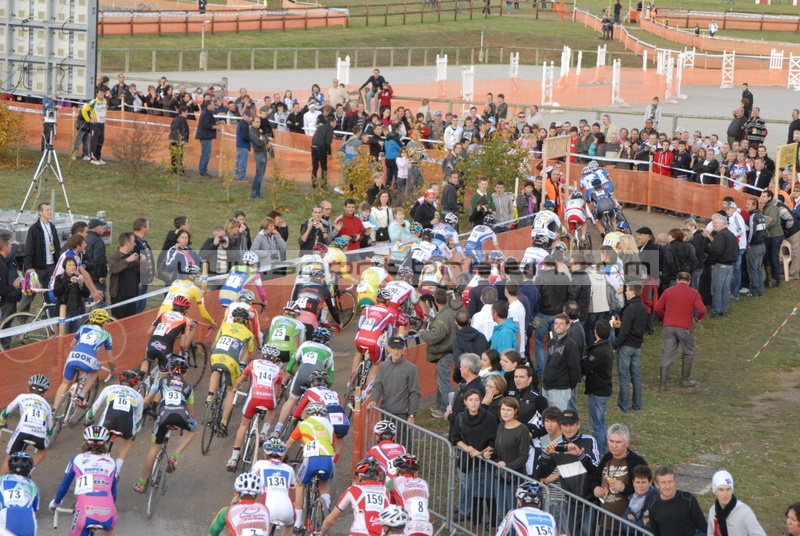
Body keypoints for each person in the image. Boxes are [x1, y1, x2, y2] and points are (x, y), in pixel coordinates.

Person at [133, 356, 197, 493]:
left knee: (153, 450)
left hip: (163, 416)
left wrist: (139, 412)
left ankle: (141, 483)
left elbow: (146, 400)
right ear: (184, 374)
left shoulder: (162, 381)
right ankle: (175, 456)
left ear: (169, 370)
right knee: (193, 429)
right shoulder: (188, 388)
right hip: (182, 416)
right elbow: (191, 414)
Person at [536, 409, 599, 536]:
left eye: (571, 425)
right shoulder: (557, 446)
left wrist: (580, 455)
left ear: (578, 425)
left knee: (587, 532)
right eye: (565, 425)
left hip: (590, 501)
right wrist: (546, 454)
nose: (568, 429)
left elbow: (596, 470)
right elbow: (541, 475)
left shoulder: (589, 440)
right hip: (571, 502)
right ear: (561, 426)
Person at [49, 426, 118, 535]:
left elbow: (64, 487)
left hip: (84, 512)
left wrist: (56, 503)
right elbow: (113, 491)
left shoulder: (76, 459)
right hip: (108, 511)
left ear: (85, 443)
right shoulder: (111, 462)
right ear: (105, 444)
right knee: (109, 529)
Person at [225, 344, 283, 471]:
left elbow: (240, 381)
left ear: (262, 355)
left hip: (253, 398)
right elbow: (278, 393)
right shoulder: (279, 370)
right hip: (268, 399)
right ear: (276, 359)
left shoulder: (253, 363)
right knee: (273, 408)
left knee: (244, 424)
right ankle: (263, 432)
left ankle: (234, 458)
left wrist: (236, 388)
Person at [271, 328, 335, 439]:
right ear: (326, 342)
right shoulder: (329, 352)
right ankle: (298, 430)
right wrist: (322, 389)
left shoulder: (305, 345)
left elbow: (289, 367)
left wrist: (295, 374)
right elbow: (330, 380)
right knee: (310, 400)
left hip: (300, 375)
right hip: (315, 380)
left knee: (291, 400)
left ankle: (277, 430)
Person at [286, 403, 335, 533]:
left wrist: (280, 457)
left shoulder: (303, 424)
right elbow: (332, 442)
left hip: (311, 458)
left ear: (308, 414)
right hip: (328, 457)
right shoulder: (330, 425)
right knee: (324, 482)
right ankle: (326, 506)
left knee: (300, 484)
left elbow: (289, 444)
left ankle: (298, 522)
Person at [450, 389, 496, 526]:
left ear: (480, 401)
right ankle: (476, 522)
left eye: (476, 400)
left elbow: (494, 441)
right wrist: (467, 448)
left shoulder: (489, 418)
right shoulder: (460, 418)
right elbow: (455, 438)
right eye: (470, 400)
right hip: (468, 461)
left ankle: (492, 523)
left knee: (488, 492)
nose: (474, 403)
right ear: (465, 402)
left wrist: (482, 452)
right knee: (473, 490)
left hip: (486, 461)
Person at [654, 271, 706, 390]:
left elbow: (657, 308)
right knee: (688, 352)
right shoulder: (693, 293)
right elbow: (702, 310)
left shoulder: (668, 291)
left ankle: (662, 385)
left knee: (667, 354)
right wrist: (697, 319)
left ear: (677, 280)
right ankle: (685, 380)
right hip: (685, 327)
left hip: (668, 326)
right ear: (689, 281)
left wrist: (664, 317)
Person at [591, 423, 648, 530]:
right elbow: (595, 479)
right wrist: (595, 488)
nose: (614, 445)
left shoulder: (637, 462)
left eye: (618, 442)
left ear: (627, 443)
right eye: (611, 441)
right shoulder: (606, 457)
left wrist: (624, 488)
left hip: (627, 523)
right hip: (605, 521)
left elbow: (647, 489)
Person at [85, 370, 144, 473]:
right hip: (126, 425)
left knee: (99, 437)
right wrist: (134, 432)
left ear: (119, 381)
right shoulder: (138, 396)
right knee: (129, 439)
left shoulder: (109, 388)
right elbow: (138, 423)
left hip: (108, 422)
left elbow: (94, 409)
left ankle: (94, 462)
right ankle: (117, 468)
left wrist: (87, 421)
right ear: (134, 384)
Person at [367, 336, 421, 447]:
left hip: (402, 415)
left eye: (399, 349)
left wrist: (411, 415)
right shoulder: (383, 366)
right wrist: (374, 399)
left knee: (403, 444)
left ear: (403, 350)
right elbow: (378, 385)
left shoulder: (411, 368)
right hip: (386, 412)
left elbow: (415, 393)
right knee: (385, 443)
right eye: (393, 348)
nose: (396, 352)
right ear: (388, 349)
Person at [320, 457, 388, 536]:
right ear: (378, 477)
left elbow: (330, 520)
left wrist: (322, 534)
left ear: (359, 476)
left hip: (359, 532)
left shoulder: (353, 489)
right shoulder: (386, 490)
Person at [0, 375, 52, 471]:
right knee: (42, 451)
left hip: (23, 431)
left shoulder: (22, 397)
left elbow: (5, 412)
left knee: (8, 459)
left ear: (28, 388)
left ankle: (1, 482)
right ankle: (29, 469)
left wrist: (2, 423)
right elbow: (50, 430)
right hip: (39, 435)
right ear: (43, 393)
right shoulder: (47, 405)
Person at [614, 281, 647, 413]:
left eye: (626, 290)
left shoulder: (630, 308)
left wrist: (615, 345)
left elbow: (625, 330)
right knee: (636, 376)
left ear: (632, 292)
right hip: (637, 346)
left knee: (624, 376)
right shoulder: (643, 307)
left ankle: (623, 405)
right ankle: (637, 404)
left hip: (627, 345)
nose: (625, 292)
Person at [581, 319, 613, 456]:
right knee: (600, 422)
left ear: (596, 333)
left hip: (598, 390)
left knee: (596, 425)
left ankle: (599, 452)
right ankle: (601, 450)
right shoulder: (608, 348)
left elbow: (585, 366)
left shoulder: (598, 351)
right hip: (603, 389)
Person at [251, 439, 296, 536]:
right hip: (287, 509)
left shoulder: (259, 464)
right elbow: (293, 496)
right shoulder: (289, 469)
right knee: (290, 525)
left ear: (264, 454)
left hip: (267, 508)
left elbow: (251, 487)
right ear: (283, 456)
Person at [648, 466, 708, 536]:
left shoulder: (687, 499)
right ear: (657, 485)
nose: (667, 486)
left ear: (674, 482)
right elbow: (655, 531)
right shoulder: (653, 503)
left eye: (670, 481)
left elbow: (703, 527)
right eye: (663, 482)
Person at [706, 470, 766, 536]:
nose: (725, 494)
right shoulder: (713, 511)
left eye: (728, 489)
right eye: (721, 490)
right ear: (715, 491)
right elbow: (710, 533)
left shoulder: (745, 512)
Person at [541, 314, 581, 412]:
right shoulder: (551, 342)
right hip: (547, 386)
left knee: (558, 418)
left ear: (567, 326)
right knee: (547, 417)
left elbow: (575, 368)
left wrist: (572, 386)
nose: (558, 326)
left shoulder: (570, 345)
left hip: (560, 389)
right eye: (556, 323)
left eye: (561, 324)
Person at [385, 455, 433, 535]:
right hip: (427, 525)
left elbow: (385, 500)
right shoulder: (424, 483)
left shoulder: (394, 481)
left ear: (398, 470)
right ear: (415, 471)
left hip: (407, 524)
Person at [704, 214, 738, 317]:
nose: (713, 225)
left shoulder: (721, 236)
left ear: (722, 223)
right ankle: (724, 309)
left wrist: (710, 261)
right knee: (725, 289)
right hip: (729, 265)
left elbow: (716, 251)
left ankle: (716, 311)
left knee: (717, 289)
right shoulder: (731, 235)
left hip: (720, 265)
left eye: (715, 223)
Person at [0, 451, 38, 536]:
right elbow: (34, 508)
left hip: (6, 519)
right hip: (29, 522)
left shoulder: (1, 479)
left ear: (8, 469)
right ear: (29, 472)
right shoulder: (33, 485)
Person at [107, 232, 139, 319]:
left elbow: (137, 272)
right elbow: (114, 269)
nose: (135, 244)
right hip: (119, 296)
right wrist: (127, 260)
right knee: (118, 323)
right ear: (127, 243)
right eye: (133, 241)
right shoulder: (114, 256)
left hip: (132, 295)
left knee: (131, 323)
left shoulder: (132, 256)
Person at [311, 115, 336, 189]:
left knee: (315, 166)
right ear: (331, 122)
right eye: (335, 122)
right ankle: (323, 184)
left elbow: (313, 139)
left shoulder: (320, 127)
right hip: (321, 148)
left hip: (314, 146)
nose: (335, 124)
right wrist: (329, 153)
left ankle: (314, 183)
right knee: (323, 167)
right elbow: (328, 142)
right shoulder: (330, 129)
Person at [196, 99, 219, 177]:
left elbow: (209, 123)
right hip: (205, 136)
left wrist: (218, 123)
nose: (214, 106)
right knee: (206, 154)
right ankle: (203, 171)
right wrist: (216, 127)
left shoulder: (207, 113)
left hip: (205, 136)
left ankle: (203, 170)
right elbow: (207, 125)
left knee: (205, 154)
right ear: (208, 105)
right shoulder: (206, 114)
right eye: (213, 104)